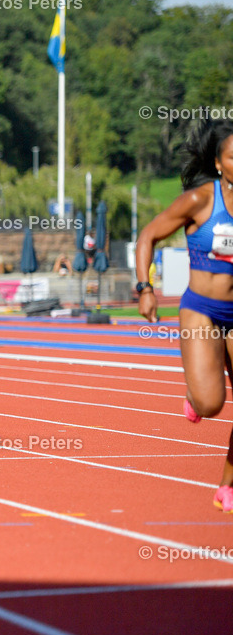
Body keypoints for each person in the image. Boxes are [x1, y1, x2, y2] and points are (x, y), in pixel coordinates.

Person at [136, 119, 233, 513]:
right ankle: (196, 393)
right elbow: (148, 236)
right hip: (202, 311)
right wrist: (145, 288)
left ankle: (227, 485)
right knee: (211, 405)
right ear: (219, 163)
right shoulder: (200, 201)